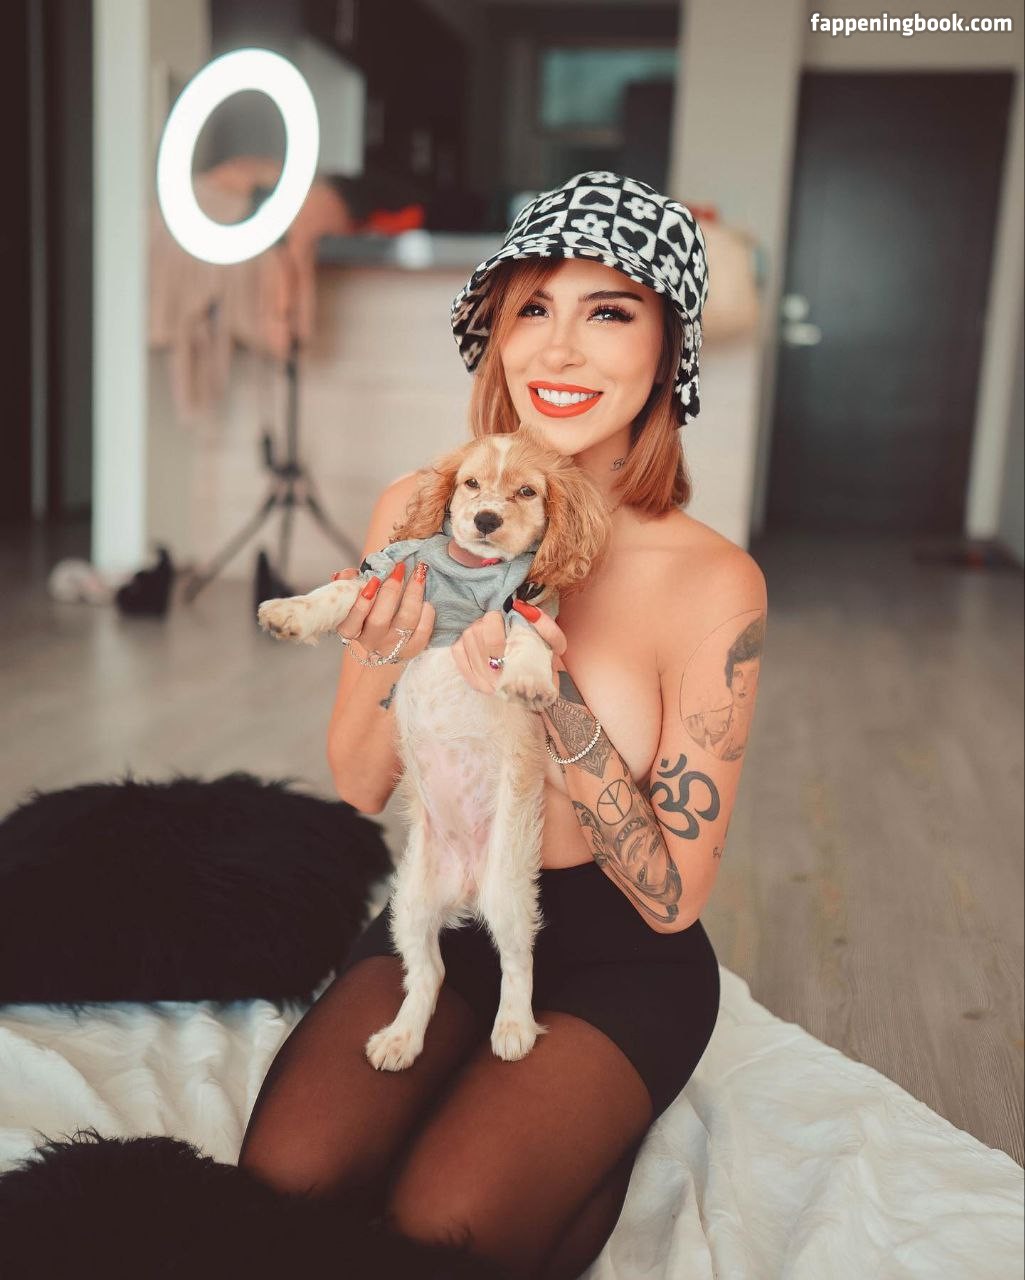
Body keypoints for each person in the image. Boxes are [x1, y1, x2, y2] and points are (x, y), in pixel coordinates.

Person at [238, 171, 768, 1279]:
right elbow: (358, 784)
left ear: (667, 348)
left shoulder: (712, 579)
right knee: (289, 1177)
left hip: (620, 952)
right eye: (533, 308)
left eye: (607, 311)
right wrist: (400, 645)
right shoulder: (419, 510)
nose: (558, 349)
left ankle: (591, 1133)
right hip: (458, 906)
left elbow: (669, 896)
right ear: (497, 334)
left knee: (446, 1226)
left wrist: (551, 692)